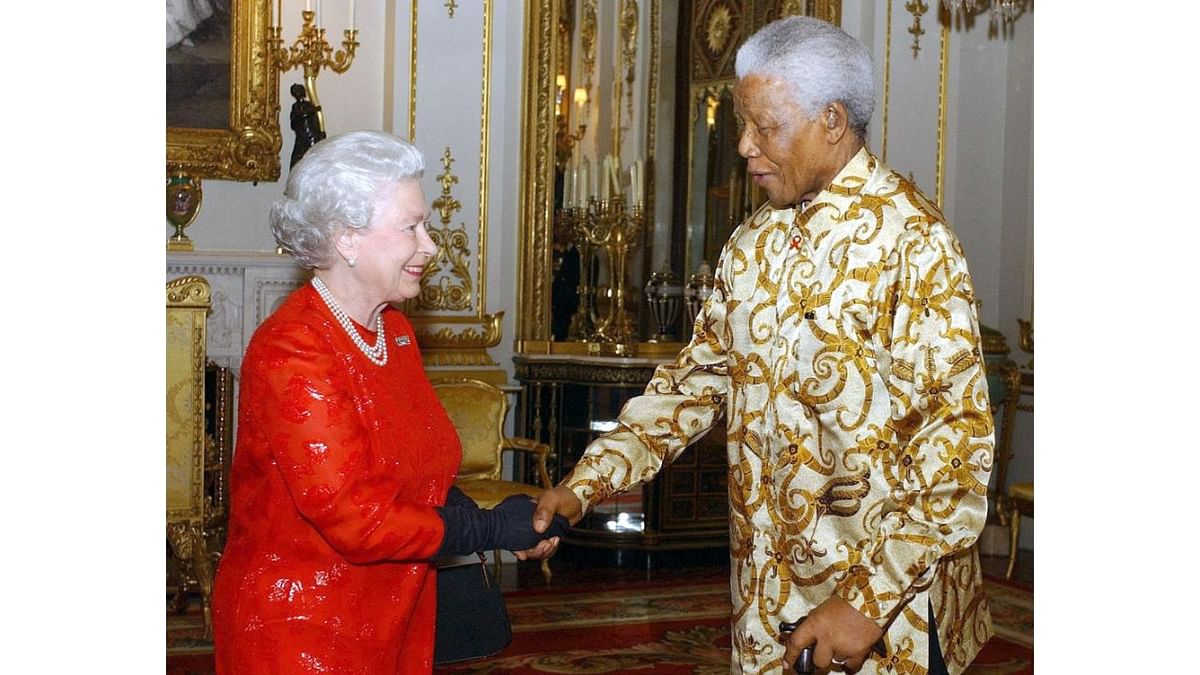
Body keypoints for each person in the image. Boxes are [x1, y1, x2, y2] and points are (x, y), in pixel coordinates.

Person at [533, 16, 993, 675]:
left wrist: (868, 599)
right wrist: (586, 483)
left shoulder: (913, 242)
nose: (745, 144)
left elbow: (957, 450)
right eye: (742, 123)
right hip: (765, 601)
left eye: (765, 125)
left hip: (889, 615)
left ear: (831, 120)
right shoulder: (751, 244)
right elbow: (693, 385)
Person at [212, 130, 568, 674]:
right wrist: (492, 531)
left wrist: (502, 520)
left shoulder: (393, 335)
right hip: (301, 629)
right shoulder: (292, 349)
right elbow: (358, 517)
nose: (429, 245)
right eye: (410, 227)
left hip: (394, 612)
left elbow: (415, 469)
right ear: (346, 238)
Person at [289, 83, 326, 168]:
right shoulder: (296, 107)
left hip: (312, 136)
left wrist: (321, 132)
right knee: (297, 160)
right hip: (301, 138)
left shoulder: (309, 105)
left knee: (313, 158)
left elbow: (315, 120)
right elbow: (294, 122)